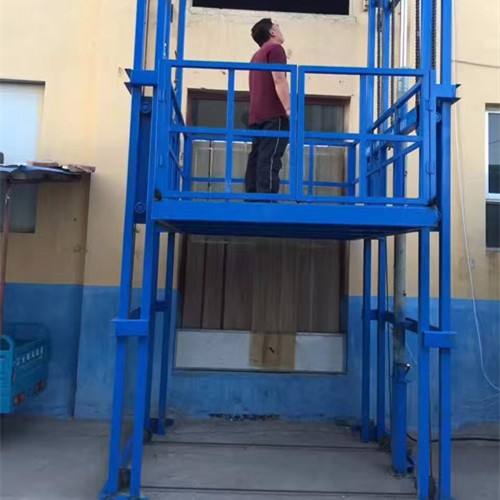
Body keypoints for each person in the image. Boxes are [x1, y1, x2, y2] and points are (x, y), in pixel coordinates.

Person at [245, 19, 290, 195]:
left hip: (257, 116)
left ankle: (252, 196)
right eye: (277, 26)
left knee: (257, 157)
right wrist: (288, 109)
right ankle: (267, 198)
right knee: (270, 158)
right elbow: (279, 78)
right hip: (274, 114)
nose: (280, 29)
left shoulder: (256, 56)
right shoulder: (275, 49)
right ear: (272, 32)